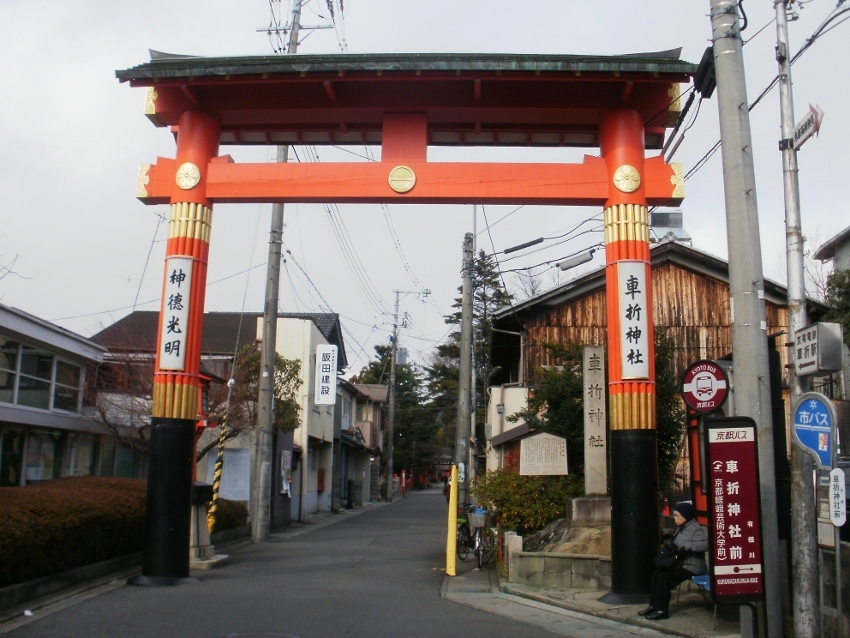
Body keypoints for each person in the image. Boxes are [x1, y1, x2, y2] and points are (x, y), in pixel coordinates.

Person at [639, 501, 708, 620]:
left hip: (691, 567)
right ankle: (653, 605)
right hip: (680, 563)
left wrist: (688, 547)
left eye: (677, 516)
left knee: (664, 578)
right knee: (656, 574)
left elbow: (706, 544)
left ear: (686, 516)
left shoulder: (695, 529)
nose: (675, 518)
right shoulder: (681, 528)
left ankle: (662, 610)